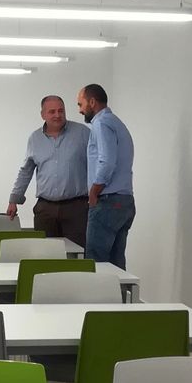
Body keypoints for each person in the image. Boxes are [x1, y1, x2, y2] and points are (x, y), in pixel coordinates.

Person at [7, 94, 91, 245]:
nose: (57, 115)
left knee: (77, 253)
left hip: (76, 208)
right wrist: (14, 199)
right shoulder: (34, 138)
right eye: (52, 112)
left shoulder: (83, 134)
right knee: (46, 254)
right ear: (43, 115)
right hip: (45, 209)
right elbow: (26, 171)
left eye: (61, 111)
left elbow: (96, 165)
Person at [77, 83, 135, 269]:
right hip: (124, 201)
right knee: (116, 264)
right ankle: (119, 298)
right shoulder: (116, 122)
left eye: (80, 104)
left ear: (92, 102)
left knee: (97, 263)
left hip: (108, 201)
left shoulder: (101, 124)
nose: (79, 110)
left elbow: (107, 161)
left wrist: (93, 192)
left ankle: (99, 299)